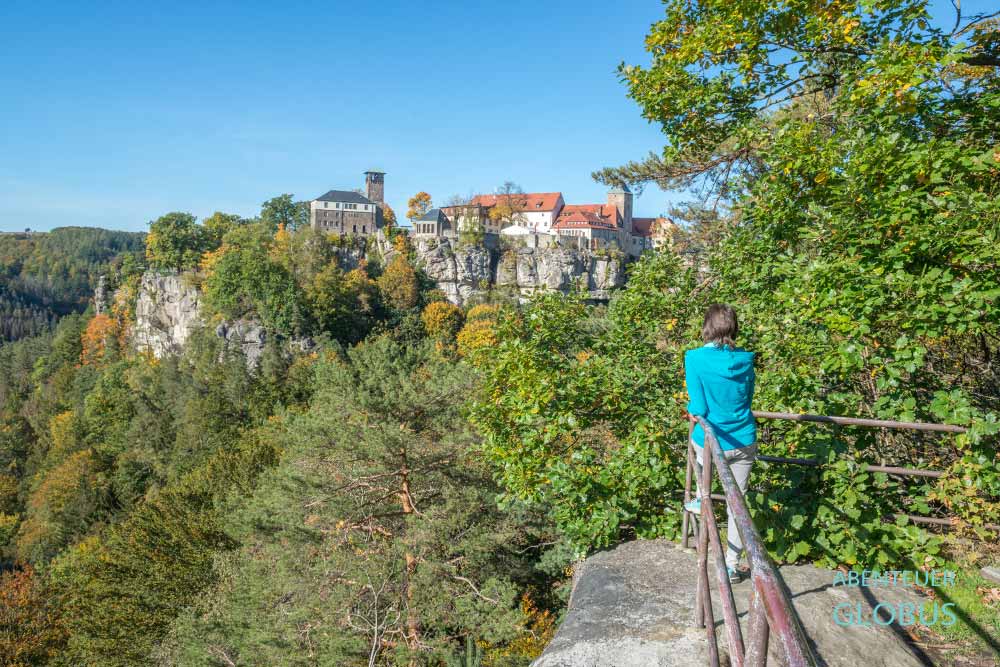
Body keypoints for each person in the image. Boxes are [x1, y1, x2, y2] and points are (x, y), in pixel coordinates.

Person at [682, 303, 757, 583]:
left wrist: (692, 410)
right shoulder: (746, 360)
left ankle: (702, 498)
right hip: (744, 439)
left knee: (701, 456)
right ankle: (732, 564)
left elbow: (699, 407)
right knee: (737, 504)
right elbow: (746, 399)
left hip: (714, 440)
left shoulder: (695, 359)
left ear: (707, 327)